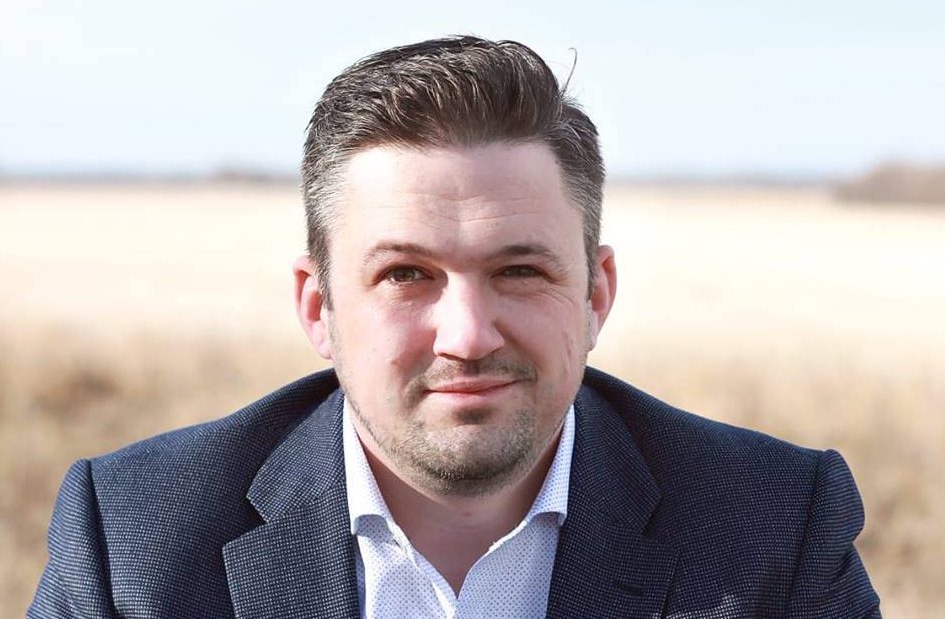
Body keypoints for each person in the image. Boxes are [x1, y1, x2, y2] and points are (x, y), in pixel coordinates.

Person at [30, 36, 881, 618]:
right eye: (406, 275)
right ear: (319, 307)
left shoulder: (771, 527)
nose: (468, 337)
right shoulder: (136, 541)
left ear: (595, 294)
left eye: (520, 271)